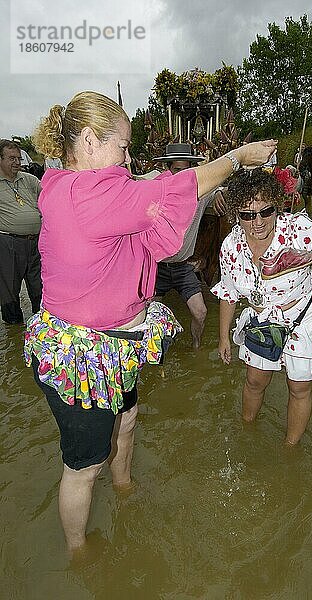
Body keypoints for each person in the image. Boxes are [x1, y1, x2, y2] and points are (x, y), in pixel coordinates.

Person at [25, 91, 277, 553]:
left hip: (114, 343)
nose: (128, 157)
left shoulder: (63, 183)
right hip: (83, 357)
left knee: (129, 417)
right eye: (122, 146)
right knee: (83, 466)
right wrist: (238, 157)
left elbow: (146, 195)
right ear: (87, 141)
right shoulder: (89, 193)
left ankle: (123, 487)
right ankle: (79, 553)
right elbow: (174, 190)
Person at [212, 167, 312, 445]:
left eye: (266, 212)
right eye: (247, 215)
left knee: (299, 387)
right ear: (236, 214)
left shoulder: (299, 231)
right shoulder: (230, 246)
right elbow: (228, 292)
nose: (257, 222)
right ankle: (246, 433)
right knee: (255, 381)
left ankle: (290, 449)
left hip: (303, 317)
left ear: (277, 206)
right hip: (263, 320)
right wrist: (223, 337)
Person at [153, 143, 222, 348]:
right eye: (176, 170)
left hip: (183, 267)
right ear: (169, 169)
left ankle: (196, 345)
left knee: (200, 312)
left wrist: (218, 192)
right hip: (158, 268)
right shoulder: (156, 192)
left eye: (185, 170)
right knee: (149, 314)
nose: (181, 176)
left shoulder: (200, 194)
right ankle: (156, 354)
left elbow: (220, 187)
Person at [0, 139, 42, 324]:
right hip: (8, 244)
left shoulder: (30, 179)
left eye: (18, 158)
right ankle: (14, 330)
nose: (17, 162)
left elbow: (48, 199)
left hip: (36, 242)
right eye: (11, 158)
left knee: (39, 286)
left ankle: (42, 325)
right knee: (9, 290)